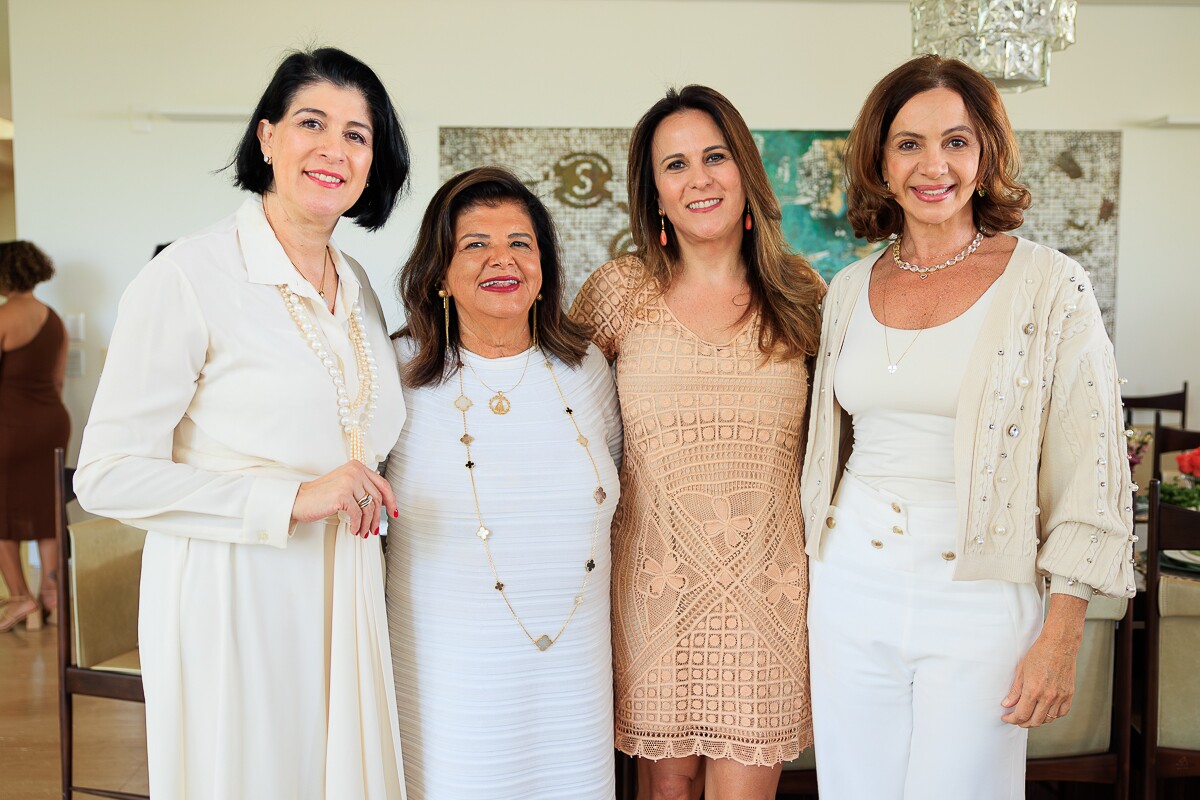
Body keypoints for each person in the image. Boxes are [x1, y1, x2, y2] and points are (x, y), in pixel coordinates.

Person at [74, 48, 411, 799]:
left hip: (346, 588)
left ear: (373, 161)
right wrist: (289, 499)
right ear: (266, 138)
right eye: (312, 123)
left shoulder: (354, 285)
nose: (336, 148)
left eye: (358, 134)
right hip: (234, 594)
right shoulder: (188, 276)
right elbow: (105, 476)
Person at [800, 55, 1137, 799]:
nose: (934, 165)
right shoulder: (849, 289)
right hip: (849, 582)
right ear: (881, 162)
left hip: (981, 592)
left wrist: (1062, 630)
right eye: (909, 143)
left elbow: (1095, 468)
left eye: (955, 141)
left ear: (985, 155)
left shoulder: (1050, 285)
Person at [571, 85, 825, 800]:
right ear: (654, 192)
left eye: (715, 156)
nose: (699, 178)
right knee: (665, 788)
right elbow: (558, 416)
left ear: (745, 170)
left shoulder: (803, 295)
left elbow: (846, 440)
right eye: (675, 165)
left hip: (769, 592)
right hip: (652, 586)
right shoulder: (618, 292)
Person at [385, 166, 622, 799]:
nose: (502, 260)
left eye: (521, 242)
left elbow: (616, 478)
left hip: (574, 674)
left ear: (543, 265)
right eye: (475, 244)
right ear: (439, 272)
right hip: (448, 675)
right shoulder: (396, 371)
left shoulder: (585, 367)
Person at [0, 241, 70, 633]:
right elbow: (57, 380)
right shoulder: (54, 318)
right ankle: (52, 596)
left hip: (9, 429)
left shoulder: (4, 317)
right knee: (47, 510)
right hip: (52, 424)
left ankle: (20, 599)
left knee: (2, 513)